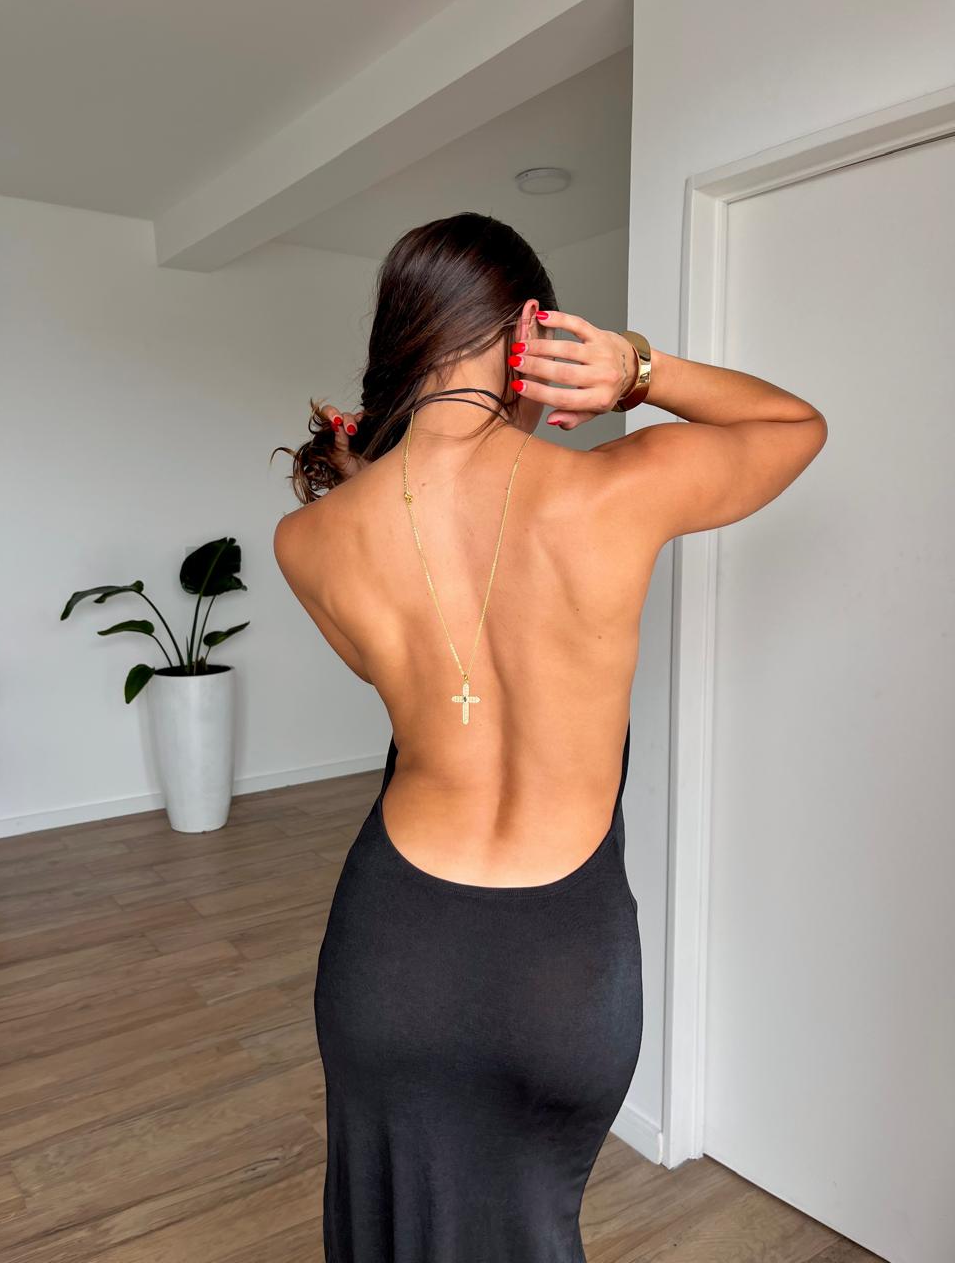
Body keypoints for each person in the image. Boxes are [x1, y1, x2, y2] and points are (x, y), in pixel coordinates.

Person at [272, 211, 827, 1262]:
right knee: (530, 1231)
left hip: (392, 951)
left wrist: (362, 480)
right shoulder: (616, 489)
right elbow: (794, 426)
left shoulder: (306, 538)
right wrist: (639, 371)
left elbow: (387, 671)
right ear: (533, 330)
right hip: (563, 966)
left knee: (392, 1228)